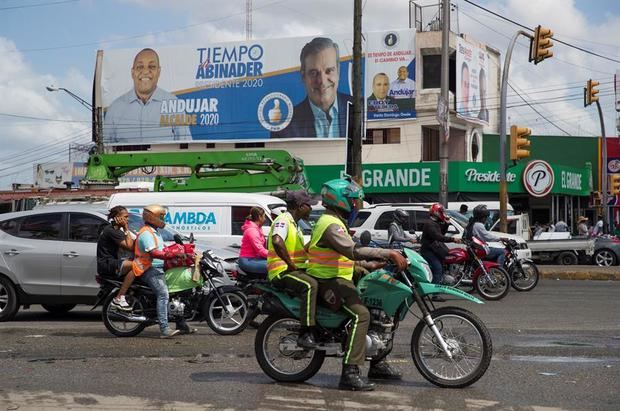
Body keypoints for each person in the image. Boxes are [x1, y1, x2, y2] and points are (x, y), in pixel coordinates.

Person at [306, 177, 407, 391]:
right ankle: (350, 373)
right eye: (351, 200)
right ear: (339, 199)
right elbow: (351, 251)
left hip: (341, 277)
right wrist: (388, 252)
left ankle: (378, 362)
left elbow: (346, 257)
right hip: (327, 281)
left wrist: (371, 265)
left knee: (379, 308)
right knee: (361, 315)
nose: (353, 205)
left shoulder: (335, 222)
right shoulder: (330, 225)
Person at [133, 204, 195, 338]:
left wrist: (181, 250)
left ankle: (181, 324)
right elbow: (155, 253)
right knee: (163, 294)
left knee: (179, 290)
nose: (163, 219)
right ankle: (164, 329)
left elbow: (164, 249)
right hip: (148, 268)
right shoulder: (146, 233)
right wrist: (173, 255)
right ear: (152, 217)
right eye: (161, 217)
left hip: (160, 267)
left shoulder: (155, 232)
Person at [103, 48, 191, 144]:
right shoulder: (115, 108)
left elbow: (186, 147)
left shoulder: (174, 104)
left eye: (152, 66)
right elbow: (104, 150)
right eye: (140, 67)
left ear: (159, 71)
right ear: (132, 72)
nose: (145, 71)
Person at [267, 190, 319, 348]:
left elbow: (299, 251)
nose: (311, 208)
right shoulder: (283, 220)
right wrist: (290, 264)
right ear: (299, 206)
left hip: (293, 270)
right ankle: (306, 333)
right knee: (310, 286)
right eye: (309, 205)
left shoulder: (295, 225)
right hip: (281, 272)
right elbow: (277, 241)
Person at [271, 37, 352, 138]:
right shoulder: (285, 125)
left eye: (329, 71)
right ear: (303, 76)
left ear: (338, 71)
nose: (322, 81)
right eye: (314, 73)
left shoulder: (361, 109)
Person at [96, 206, 135, 311]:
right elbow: (130, 246)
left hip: (111, 262)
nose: (127, 219)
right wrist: (126, 227)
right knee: (137, 266)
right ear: (118, 217)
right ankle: (119, 297)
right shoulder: (112, 230)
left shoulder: (115, 228)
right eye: (125, 217)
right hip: (108, 264)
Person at [420, 204, 461, 301]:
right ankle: (434, 294)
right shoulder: (430, 224)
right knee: (438, 269)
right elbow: (438, 237)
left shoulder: (435, 223)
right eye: (441, 212)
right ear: (436, 212)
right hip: (428, 251)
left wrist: (446, 224)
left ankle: (437, 289)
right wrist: (453, 239)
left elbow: (440, 234)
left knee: (441, 269)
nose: (443, 214)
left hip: (434, 250)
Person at [238, 207, 268, 277]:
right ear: (259, 217)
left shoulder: (257, 228)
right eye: (264, 216)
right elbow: (260, 250)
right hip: (248, 260)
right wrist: (275, 255)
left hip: (254, 259)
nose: (265, 219)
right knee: (275, 266)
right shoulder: (252, 231)